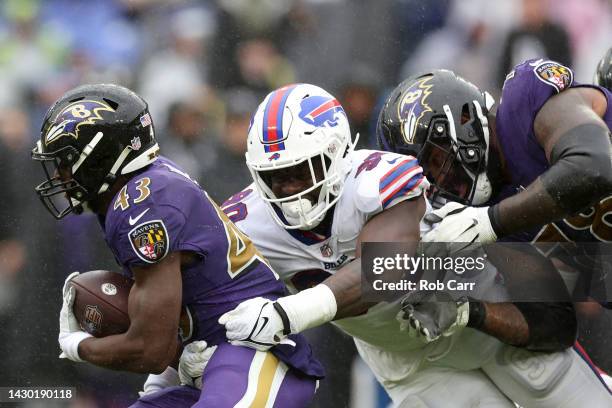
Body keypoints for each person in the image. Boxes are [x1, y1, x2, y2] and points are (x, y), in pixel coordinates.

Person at [180, 83, 607, 406]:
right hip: (408, 362)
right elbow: (200, 294)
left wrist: (287, 312)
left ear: (338, 153)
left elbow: (383, 270)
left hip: (488, 317)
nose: (291, 190)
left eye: (303, 171)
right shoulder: (245, 223)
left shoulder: (380, 178)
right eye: (276, 177)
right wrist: (188, 352)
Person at [31, 84, 322, 408]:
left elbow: (149, 349)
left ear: (99, 156)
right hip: (216, 357)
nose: (60, 173)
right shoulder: (142, 189)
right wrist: (175, 359)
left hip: (257, 353)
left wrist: (78, 346)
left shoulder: (143, 206)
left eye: (66, 161)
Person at [377, 67, 612, 401]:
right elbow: (554, 324)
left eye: (434, 164)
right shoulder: (494, 222)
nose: (438, 186)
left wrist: (490, 223)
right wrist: (466, 312)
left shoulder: (524, 104)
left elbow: (594, 165)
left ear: (463, 121)